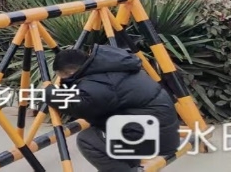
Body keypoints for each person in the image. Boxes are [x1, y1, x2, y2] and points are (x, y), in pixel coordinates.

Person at [47, 45, 180, 171]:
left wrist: (49, 92)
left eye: (62, 78)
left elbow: (78, 106)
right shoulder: (110, 68)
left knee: (88, 140)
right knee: (104, 132)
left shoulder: (99, 82)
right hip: (159, 131)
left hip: (153, 138)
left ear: (70, 72)